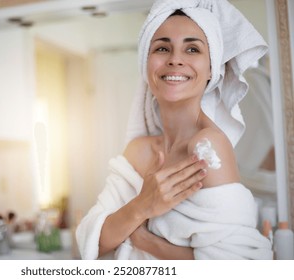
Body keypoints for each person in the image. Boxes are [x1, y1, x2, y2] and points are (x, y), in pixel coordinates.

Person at [76, 0, 273, 260]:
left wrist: (145, 241)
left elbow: (235, 264)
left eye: (192, 49)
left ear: (212, 69)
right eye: (162, 48)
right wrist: (141, 206)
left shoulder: (208, 147)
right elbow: (92, 242)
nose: (175, 60)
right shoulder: (139, 150)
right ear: (146, 65)